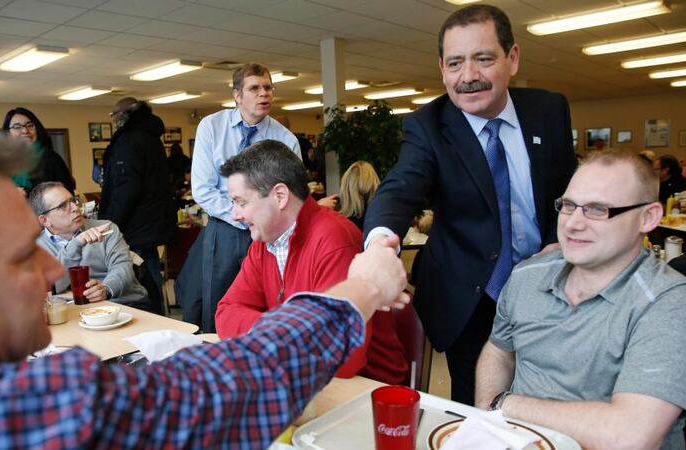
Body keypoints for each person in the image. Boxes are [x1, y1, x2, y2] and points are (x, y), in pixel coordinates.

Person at [0, 101, 411, 448]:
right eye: (21, 254)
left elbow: (236, 326)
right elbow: (233, 380)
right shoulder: (6, 408)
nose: (50, 266)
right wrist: (364, 286)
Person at [362, 4, 577, 405]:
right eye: (456, 63)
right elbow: (400, 187)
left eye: (483, 59)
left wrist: (557, 240)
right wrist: (377, 245)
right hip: (470, 296)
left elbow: (567, 187)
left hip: (548, 282)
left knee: (548, 394)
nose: (469, 77)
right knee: (477, 405)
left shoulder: (549, 111)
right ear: (442, 68)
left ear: (512, 58)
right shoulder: (428, 126)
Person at [475, 150, 686, 450]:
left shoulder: (669, 303)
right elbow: (499, 351)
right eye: (569, 205)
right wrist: (488, 416)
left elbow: (629, 436)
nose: (573, 224)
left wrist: (505, 405)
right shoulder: (527, 276)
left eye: (598, 209)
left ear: (648, 217)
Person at [214, 141, 408, 384]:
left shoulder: (335, 240)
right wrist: (295, 331)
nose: (235, 214)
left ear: (280, 196)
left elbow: (342, 359)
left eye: (241, 202)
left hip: (367, 390)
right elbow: (225, 312)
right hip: (303, 377)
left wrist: (271, 332)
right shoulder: (264, 242)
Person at [186, 63, 300, 332]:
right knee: (217, 303)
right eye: (255, 88)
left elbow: (291, 195)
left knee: (267, 302)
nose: (264, 94)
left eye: (268, 87)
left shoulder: (286, 139)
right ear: (237, 95)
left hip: (268, 233)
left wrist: (261, 220)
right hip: (225, 229)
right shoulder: (212, 127)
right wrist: (242, 216)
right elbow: (203, 188)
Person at [99, 97, 175, 314]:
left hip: (135, 223)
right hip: (151, 220)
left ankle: (152, 315)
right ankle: (157, 313)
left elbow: (126, 187)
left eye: (114, 114)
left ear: (125, 114)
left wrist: (110, 223)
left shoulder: (129, 140)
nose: (113, 119)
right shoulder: (150, 137)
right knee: (148, 267)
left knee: (142, 273)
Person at [30, 181, 149, 308]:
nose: (75, 207)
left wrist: (106, 289)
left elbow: (122, 268)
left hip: (124, 305)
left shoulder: (106, 228)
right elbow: (52, 287)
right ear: (45, 220)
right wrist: (76, 244)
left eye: (73, 200)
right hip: (75, 313)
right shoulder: (36, 248)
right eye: (63, 205)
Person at [2, 107, 76, 194]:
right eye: (17, 127)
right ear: (7, 133)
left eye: (30, 125)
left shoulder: (52, 159)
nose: (25, 131)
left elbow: (68, 194)